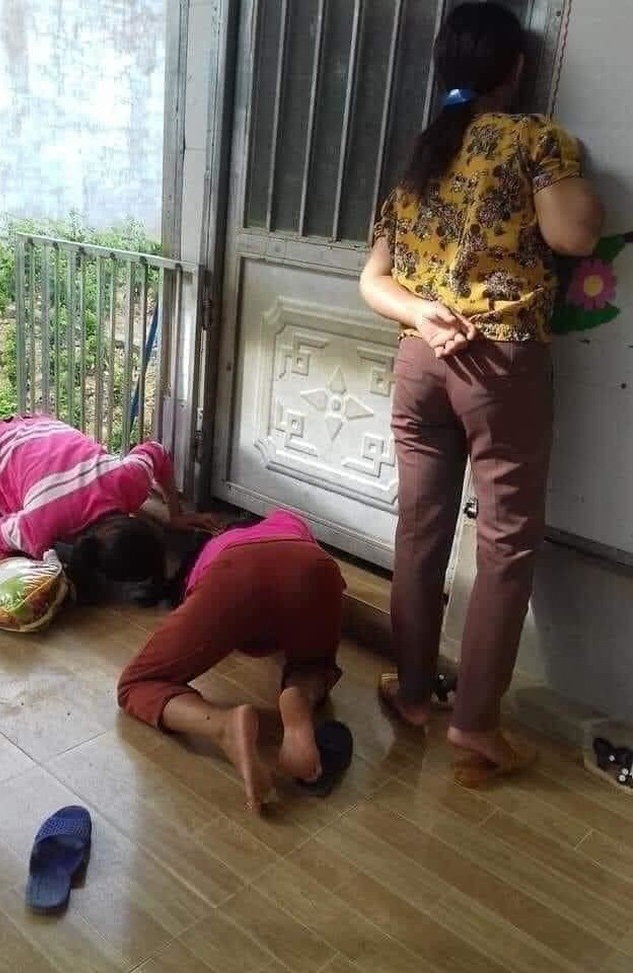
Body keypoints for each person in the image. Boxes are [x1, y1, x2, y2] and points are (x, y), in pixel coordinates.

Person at [359, 2, 603, 784]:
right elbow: (573, 236)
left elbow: (373, 280)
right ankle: (475, 723)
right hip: (501, 364)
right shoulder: (535, 140)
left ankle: (412, 693)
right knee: (504, 543)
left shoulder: (422, 154)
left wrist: (423, 313)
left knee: (419, 531)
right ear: (517, 69)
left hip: (420, 359)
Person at [117, 509, 350, 812]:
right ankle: (300, 699)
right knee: (313, 665)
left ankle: (223, 725)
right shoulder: (285, 519)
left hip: (233, 573)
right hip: (313, 565)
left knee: (136, 684)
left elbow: (215, 623)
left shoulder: (210, 551)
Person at [0, 414, 220, 597]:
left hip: (37, 429)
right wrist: (7, 569)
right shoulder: (37, 528)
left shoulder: (129, 481)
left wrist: (174, 514)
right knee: (1, 536)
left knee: (23, 538)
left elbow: (156, 451)